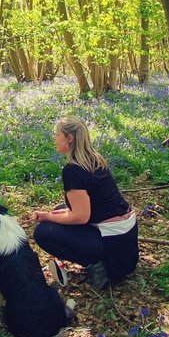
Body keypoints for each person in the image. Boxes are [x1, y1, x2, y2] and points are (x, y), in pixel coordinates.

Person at [34, 115, 138, 290]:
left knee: (43, 232)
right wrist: (53, 214)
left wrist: (49, 217)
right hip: (125, 239)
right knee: (60, 209)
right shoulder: (94, 158)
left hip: (113, 246)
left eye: (57, 134)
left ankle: (99, 267)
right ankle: (101, 261)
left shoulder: (73, 170)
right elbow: (87, 207)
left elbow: (81, 217)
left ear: (69, 138)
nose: (54, 138)